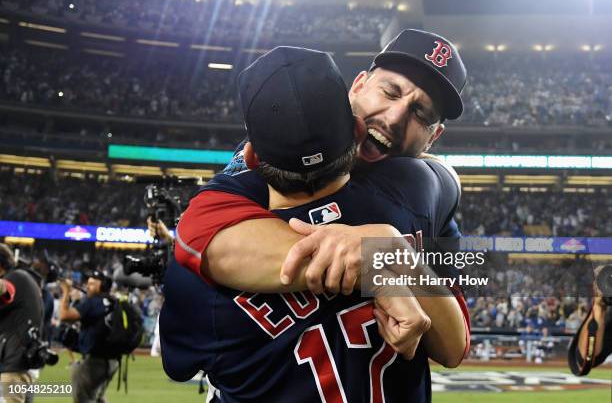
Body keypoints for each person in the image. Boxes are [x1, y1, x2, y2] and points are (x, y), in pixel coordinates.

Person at [161, 46, 468, 402]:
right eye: (390, 91)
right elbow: (453, 346)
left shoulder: (422, 189)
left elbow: (194, 233)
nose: (396, 117)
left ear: (433, 137)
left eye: (420, 113)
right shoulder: (422, 192)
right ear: (357, 88)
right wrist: (383, 254)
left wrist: (385, 255)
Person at [59, 271, 118, 403]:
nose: (87, 286)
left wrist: (65, 292)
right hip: (113, 361)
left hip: (95, 361)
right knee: (98, 398)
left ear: (102, 286)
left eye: (92, 284)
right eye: (88, 283)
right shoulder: (114, 301)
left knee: (84, 399)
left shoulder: (92, 302)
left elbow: (64, 316)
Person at [0, 244, 44, 403]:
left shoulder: (14, 279)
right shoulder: (23, 278)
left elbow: (5, 289)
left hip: (15, 364)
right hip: (23, 361)